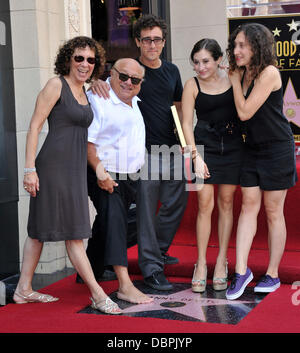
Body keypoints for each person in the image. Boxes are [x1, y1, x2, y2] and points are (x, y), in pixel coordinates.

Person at [13, 36, 122, 314]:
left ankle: (23, 289)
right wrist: (29, 170)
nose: (84, 64)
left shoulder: (86, 91)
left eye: (90, 60)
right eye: (79, 58)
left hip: (74, 170)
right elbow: (35, 126)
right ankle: (98, 294)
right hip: (52, 167)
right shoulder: (55, 85)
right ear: (68, 59)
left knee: (38, 231)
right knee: (73, 234)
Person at [91, 14, 188, 291]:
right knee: (146, 212)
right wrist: (95, 82)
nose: (152, 45)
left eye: (157, 39)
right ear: (138, 42)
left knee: (175, 205)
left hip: (173, 148)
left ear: (164, 42)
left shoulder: (172, 71)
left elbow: (179, 107)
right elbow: (105, 89)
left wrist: (185, 141)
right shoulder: (128, 74)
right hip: (144, 153)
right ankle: (151, 267)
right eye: (146, 40)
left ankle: (158, 249)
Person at [225, 23, 297, 300]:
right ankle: (242, 271)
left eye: (243, 45)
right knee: (248, 207)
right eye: (235, 45)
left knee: (272, 211)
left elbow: (244, 111)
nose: (237, 50)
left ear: (258, 46)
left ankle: (273, 274)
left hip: (277, 148)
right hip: (251, 149)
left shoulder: (269, 73)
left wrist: (232, 79)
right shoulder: (241, 73)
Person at [83, 58, 153, 304]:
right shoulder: (99, 99)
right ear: (111, 74)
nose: (128, 83)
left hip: (130, 176)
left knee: (110, 221)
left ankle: (90, 268)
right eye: (123, 76)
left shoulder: (135, 102)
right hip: (105, 172)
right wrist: (101, 173)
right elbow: (88, 143)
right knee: (115, 222)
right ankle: (125, 285)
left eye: (134, 79)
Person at [181, 39, 244, 293]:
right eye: (196, 62)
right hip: (202, 148)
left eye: (206, 61)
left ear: (218, 59)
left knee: (226, 204)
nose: (200, 67)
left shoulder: (234, 78)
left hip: (232, 148)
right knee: (204, 206)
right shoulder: (191, 85)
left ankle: (221, 263)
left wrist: (236, 73)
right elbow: (186, 124)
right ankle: (200, 265)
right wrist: (195, 157)